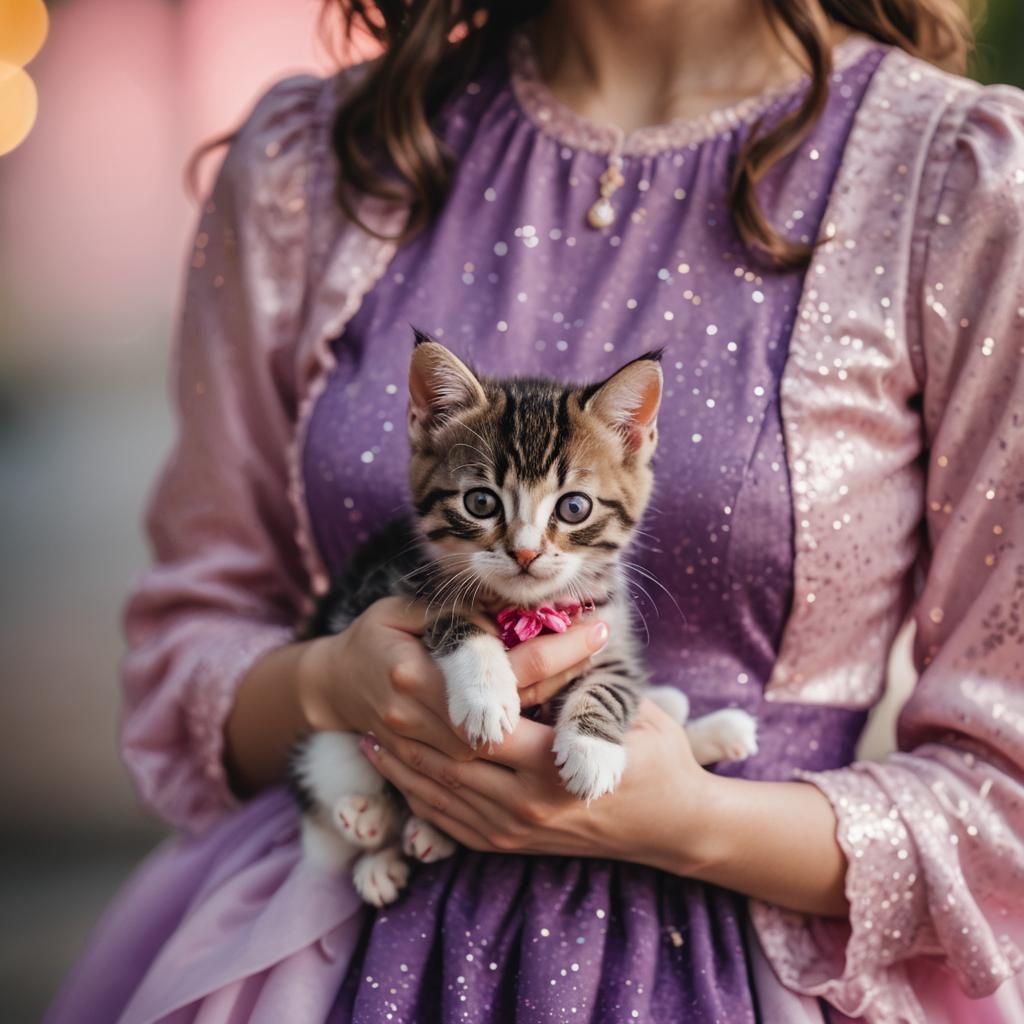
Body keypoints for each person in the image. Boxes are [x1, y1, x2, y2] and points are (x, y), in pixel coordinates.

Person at [46, 1, 1024, 1021]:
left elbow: (1007, 799)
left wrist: (690, 820)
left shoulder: (956, 179)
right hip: (316, 941)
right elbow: (188, 648)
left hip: (746, 971)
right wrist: (336, 681)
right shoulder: (317, 161)